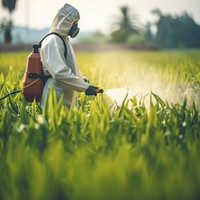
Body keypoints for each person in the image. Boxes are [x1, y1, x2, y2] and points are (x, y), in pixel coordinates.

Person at [40, 3, 99, 108]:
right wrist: (84, 87)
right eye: (74, 23)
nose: (76, 26)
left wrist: (81, 79)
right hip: (55, 99)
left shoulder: (63, 40)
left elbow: (69, 67)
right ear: (65, 22)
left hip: (65, 98)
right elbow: (59, 72)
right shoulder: (53, 41)